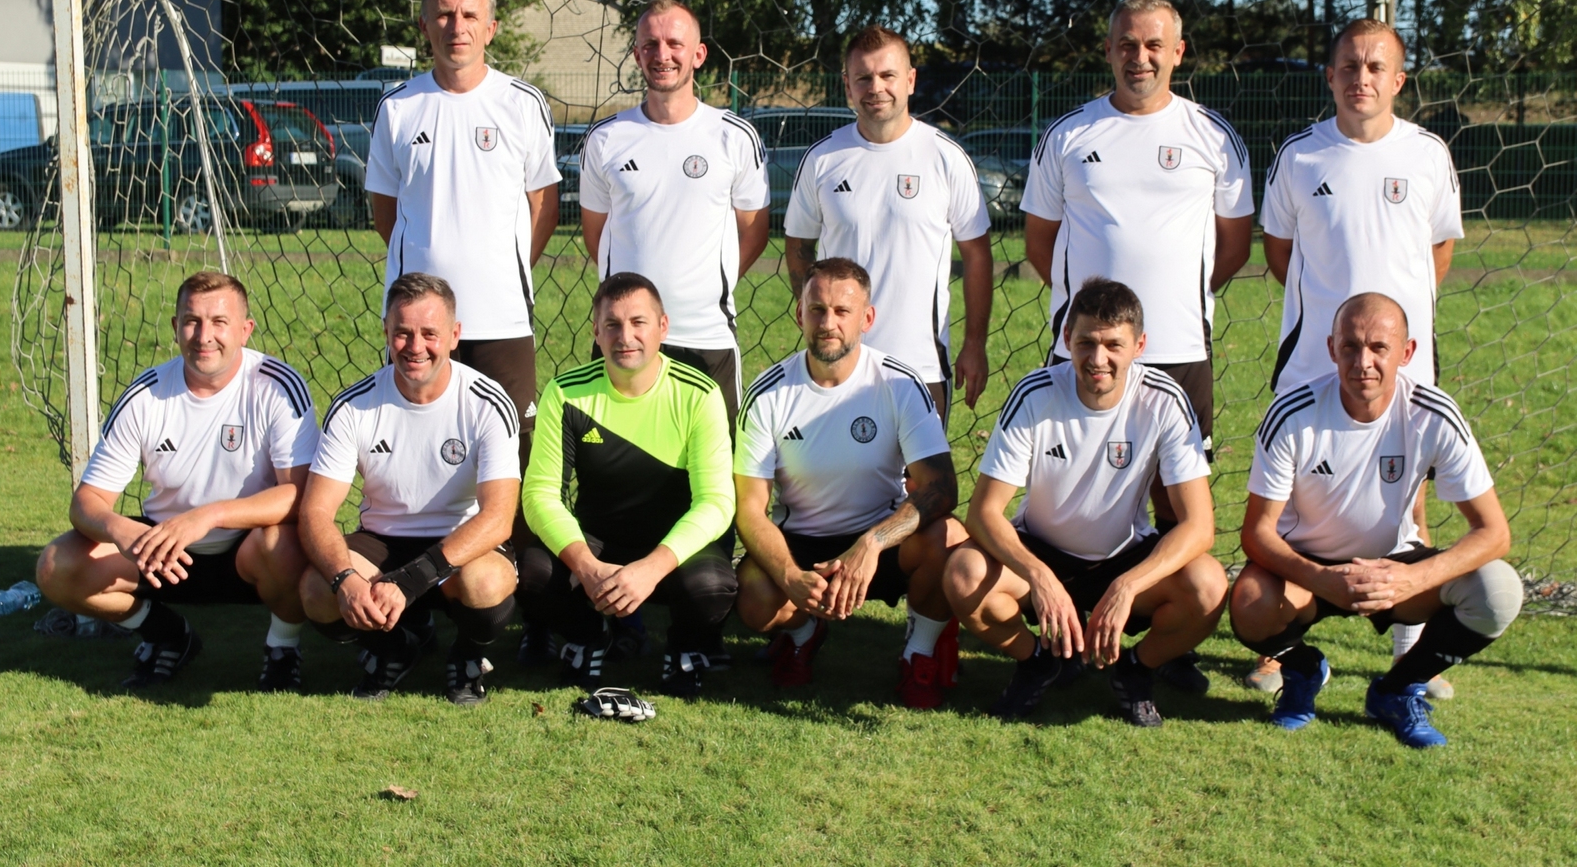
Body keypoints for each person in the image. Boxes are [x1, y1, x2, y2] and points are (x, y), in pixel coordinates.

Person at [1021, 0, 1254, 694]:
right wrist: (1092, 322)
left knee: (1176, 503)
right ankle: (1063, 623)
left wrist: (1175, 305)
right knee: (1073, 490)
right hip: (1084, 351)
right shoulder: (1069, 135)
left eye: (1154, 45)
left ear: (1178, 53)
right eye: (1127, 43)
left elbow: (1234, 247)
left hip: (1179, 348)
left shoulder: (1213, 136)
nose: (1140, 57)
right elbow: (1039, 242)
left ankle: (1161, 645)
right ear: (1108, 50)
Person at [1254, 17, 1465, 694]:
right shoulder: (1300, 156)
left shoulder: (1428, 154)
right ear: (1330, 76)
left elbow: (1438, 250)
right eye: (1349, 66)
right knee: (1291, 503)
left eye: (1375, 67)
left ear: (1398, 80)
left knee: (1408, 497)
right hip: (1315, 361)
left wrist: (1391, 334)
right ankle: (1279, 644)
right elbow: (1279, 252)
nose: (1361, 78)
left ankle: (1410, 648)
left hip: (1400, 365)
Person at [1230, 293, 1521, 748]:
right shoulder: (1292, 412)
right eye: (1350, 346)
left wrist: (1412, 578)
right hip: (1307, 568)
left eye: (1378, 347)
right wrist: (1321, 578)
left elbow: (1494, 533)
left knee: (1498, 591)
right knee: (1249, 602)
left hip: (1395, 567)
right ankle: (1303, 671)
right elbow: (1256, 532)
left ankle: (1398, 689)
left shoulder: (1434, 413)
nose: (1363, 362)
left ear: (1406, 352)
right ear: (1332, 349)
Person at [943, 278, 1228, 726]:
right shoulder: (1035, 394)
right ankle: (1037, 662)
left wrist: (1128, 585)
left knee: (1208, 585)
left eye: (1114, 345)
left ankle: (1136, 670)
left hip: (1124, 558)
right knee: (964, 574)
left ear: (1139, 346)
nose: (1098, 359)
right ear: (1066, 339)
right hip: (1041, 551)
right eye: (1086, 343)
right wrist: (1039, 576)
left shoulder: (1164, 400)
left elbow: (1199, 526)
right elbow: (983, 513)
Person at [35, 272, 318, 691]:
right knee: (58, 566)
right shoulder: (145, 394)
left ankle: (283, 648)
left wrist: (209, 516)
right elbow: (86, 502)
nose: (204, 336)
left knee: (287, 543)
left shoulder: (277, 386)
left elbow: (299, 495)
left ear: (245, 330)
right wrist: (120, 529)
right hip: (161, 553)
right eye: (192, 321)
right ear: (175, 326)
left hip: (248, 551)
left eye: (219, 322)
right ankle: (165, 634)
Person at [734, 257, 965, 708]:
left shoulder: (899, 383)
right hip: (803, 544)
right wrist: (790, 576)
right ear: (799, 314)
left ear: (867, 318)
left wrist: (871, 544)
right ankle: (803, 633)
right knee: (754, 598)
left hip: (880, 540)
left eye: (842, 311)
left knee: (950, 538)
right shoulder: (767, 394)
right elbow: (749, 508)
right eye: (817, 310)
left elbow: (941, 488)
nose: (828, 323)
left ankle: (919, 653)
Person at [297, 274, 521, 707]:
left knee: (486, 584)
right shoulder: (354, 406)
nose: (415, 346)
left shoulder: (487, 402)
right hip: (383, 539)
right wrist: (345, 580)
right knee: (316, 592)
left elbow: (498, 517)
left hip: (461, 540)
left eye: (429, 333)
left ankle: (467, 657)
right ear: (386, 332)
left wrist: (411, 580)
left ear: (454, 335)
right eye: (402, 333)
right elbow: (315, 513)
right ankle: (394, 649)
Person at [365, 0, 560, 462]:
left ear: (490, 28)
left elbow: (545, 205)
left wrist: (503, 269)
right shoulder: (397, 107)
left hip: (501, 315)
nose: (457, 26)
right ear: (424, 25)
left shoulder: (522, 104)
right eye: (445, 15)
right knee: (413, 446)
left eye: (470, 15)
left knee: (510, 451)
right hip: (416, 320)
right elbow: (385, 212)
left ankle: (506, 522)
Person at [517, 272, 737, 699]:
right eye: (613, 324)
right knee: (533, 573)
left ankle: (685, 647)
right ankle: (588, 636)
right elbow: (540, 494)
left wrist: (652, 567)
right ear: (596, 332)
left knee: (711, 587)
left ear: (663, 327)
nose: (626, 336)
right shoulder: (566, 393)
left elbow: (716, 502)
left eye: (639, 322)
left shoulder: (700, 393)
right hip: (600, 545)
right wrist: (586, 567)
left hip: (673, 548)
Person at [578, 0, 770, 427]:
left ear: (698, 54)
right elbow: (596, 233)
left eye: (674, 44)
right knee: (620, 464)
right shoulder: (606, 139)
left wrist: (704, 286)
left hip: (705, 335)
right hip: (625, 337)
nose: (662, 55)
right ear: (636, 55)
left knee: (715, 465)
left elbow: (754, 231)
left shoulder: (734, 137)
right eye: (650, 44)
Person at [784, 25, 993, 420]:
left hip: (920, 368)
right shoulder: (822, 159)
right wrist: (818, 320)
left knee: (922, 466)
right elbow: (797, 244)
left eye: (887, 75)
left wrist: (974, 344)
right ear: (847, 85)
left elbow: (977, 255)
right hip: (838, 365)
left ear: (910, 80)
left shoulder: (946, 158)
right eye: (863, 77)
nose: (876, 87)